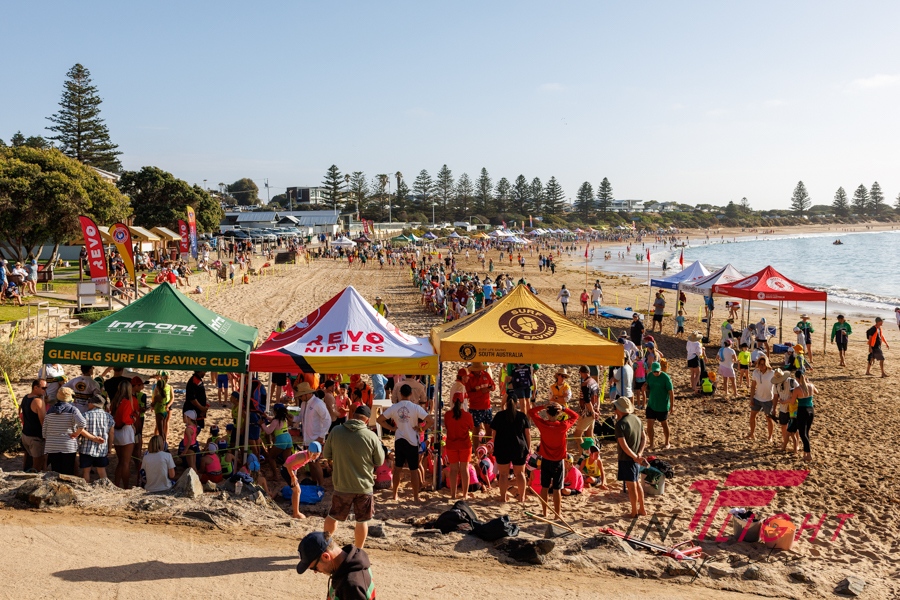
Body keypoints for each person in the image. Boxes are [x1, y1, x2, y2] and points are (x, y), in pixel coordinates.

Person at [378, 385, 433, 502]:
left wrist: (391, 428)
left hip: (399, 440)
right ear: (411, 394)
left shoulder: (395, 407)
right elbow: (431, 420)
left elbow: (379, 419)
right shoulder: (415, 407)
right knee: (414, 469)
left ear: (400, 394)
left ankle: (395, 495)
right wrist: (421, 429)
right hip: (412, 441)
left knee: (398, 469)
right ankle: (415, 497)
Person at [528, 402, 579, 519]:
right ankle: (557, 514)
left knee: (545, 487)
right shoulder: (563, 425)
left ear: (547, 413)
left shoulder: (543, 424)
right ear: (559, 413)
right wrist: (564, 408)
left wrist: (542, 406)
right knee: (557, 489)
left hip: (545, 460)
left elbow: (531, 412)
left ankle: (545, 512)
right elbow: (575, 415)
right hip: (558, 462)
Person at [295, 531, 375, 600]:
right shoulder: (347, 564)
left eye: (314, 567)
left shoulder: (351, 587)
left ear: (326, 557)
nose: (315, 572)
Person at [490, 393, 531, 503]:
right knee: (520, 473)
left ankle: (503, 498)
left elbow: (494, 433)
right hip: (519, 447)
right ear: (516, 404)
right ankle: (522, 497)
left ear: (506, 403)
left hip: (502, 446)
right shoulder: (522, 416)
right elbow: (527, 434)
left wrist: (495, 445)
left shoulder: (499, 415)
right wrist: (528, 448)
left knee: (503, 474)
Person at [42, 387, 87, 476]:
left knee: (55, 472)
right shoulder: (73, 410)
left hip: (52, 446)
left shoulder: (50, 410)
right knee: (68, 472)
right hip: (68, 445)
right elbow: (82, 423)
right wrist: (76, 433)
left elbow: (44, 431)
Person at [614, 396, 646, 518]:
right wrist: (639, 454)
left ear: (619, 409)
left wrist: (635, 457)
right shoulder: (636, 419)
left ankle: (634, 512)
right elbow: (644, 438)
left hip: (627, 459)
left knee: (632, 486)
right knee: (637, 483)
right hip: (636, 457)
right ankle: (642, 508)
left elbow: (624, 446)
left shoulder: (620, 424)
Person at [444, 391, 475, 500]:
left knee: (453, 470)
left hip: (452, 444)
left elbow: (447, 426)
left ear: (452, 401)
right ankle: (465, 494)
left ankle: (453, 495)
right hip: (464, 444)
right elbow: (471, 428)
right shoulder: (467, 415)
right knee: (464, 469)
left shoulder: (447, 415)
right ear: (462, 402)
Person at [77, 394, 114, 483]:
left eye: (89, 402)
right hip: (102, 448)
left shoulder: (85, 415)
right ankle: (105, 488)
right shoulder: (108, 416)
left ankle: (86, 487)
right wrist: (109, 448)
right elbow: (111, 433)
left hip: (86, 448)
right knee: (102, 470)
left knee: (86, 471)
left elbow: (80, 429)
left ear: (93, 404)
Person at [300, 388, 332, 487]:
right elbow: (301, 417)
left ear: (307, 394)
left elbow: (327, 419)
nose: (300, 397)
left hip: (316, 438)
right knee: (310, 462)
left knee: (315, 463)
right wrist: (293, 418)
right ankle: (314, 483)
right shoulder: (304, 403)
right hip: (307, 439)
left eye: (301, 395)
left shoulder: (318, 403)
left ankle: (321, 486)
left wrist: (322, 435)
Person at [284, 441, 323, 519]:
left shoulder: (308, 455)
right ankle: (296, 513)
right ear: (309, 451)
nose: (315, 457)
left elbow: (295, 464)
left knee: (296, 490)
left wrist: (295, 473)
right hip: (286, 470)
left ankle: (295, 512)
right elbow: (288, 466)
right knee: (297, 491)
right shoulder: (303, 457)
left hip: (291, 469)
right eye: (314, 455)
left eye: (318, 455)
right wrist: (293, 476)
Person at [110, 380, 137, 489]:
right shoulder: (127, 402)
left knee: (120, 462)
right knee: (126, 463)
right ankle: (125, 487)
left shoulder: (115, 401)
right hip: (125, 431)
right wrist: (133, 419)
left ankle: (117, 484)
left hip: (116, 432)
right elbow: (126, 419)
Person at [747, 355, 776, 442]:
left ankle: (770, 437)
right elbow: (753, 386)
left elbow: (777, 385)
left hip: (768, 399)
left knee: (769, 419)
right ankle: (752, 433)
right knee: (752, 416)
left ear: (766, 364)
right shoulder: (755, 372)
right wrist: (751, 398)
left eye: (763, 364)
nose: (762, 366)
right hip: (757, 398)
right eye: (760, 364)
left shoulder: (772, 373)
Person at [464, 362, 495, 445]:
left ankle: (489, 449)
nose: (480, 371)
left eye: (480, 369)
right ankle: (476, 450)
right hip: (475, 408)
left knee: (489, 430)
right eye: (477, 369)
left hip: (487, 407)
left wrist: (491, 388)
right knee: (476, 431)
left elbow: (493, 385)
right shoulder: (469, 378)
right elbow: (468, 395)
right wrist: (481, 392)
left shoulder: (486, 374)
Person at [645, 362, 674, 449]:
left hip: (662, 406)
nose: (655, 373)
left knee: (664, 424)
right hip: (651, 404)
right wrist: (645, 387)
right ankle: (651, 444)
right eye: (654, 371)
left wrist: (672, 406)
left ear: (660, 369)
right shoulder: (650, 375)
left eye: (657, 371)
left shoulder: (665, 377)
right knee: (649, 425)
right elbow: (648, 385)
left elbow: (671, 392)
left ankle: (667, 443)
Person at [20, 379, 47, 472]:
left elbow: (22, 416)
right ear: (36, 388)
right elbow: (43, 422)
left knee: (29, 461)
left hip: (25, 435)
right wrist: (46, 436)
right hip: (35, 438)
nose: (45, 390)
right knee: (38, 465)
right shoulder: (38, 401)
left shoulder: (25, 397)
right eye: (43, 388)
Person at [772, 369, 799, 454]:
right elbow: (775, 397)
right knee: (783, 426)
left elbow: (799, 393)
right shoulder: (776, 384)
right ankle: (785, 442)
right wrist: (774, 409)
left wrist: (789, 401)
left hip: (793, 409)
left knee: (795, 428)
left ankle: (797, 445)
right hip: (783, 408)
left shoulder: (792, 382)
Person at [573, 366, 599, 445]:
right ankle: (595, 452)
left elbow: (587, 401)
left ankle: (582, 452)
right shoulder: (594, 381)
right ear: (589, 372)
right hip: (593, 411)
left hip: (586, 413)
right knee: (590, 436)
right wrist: (597, 409)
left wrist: (593, 412)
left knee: (577, 436)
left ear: (581, 373)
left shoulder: (585, 384)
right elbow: (598, 397)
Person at [151, 371, 174, 438]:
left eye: (168, 379)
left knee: (164, 423)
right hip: (163, 409)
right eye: (165, 378)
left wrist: (168, 405)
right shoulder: (160, 390)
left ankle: (162, 439)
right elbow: (154, 396)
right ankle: (160, 438)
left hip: (164, 408)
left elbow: (172, 398)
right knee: (160, 426)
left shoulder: (169, 387)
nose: (167, 380)